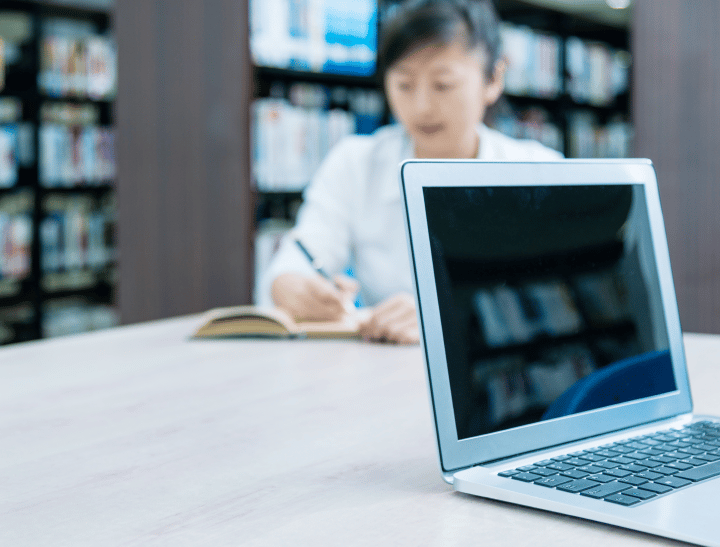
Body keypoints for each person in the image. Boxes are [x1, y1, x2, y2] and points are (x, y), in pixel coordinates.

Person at [259, 0, 563, 344]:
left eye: (443, 84)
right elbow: (298, 258)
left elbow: (558, 306)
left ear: (493, 79)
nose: (422, 107)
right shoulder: (356, 163)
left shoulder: (542, 173)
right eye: (404, 84)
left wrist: (443, 320)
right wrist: (292, 285)